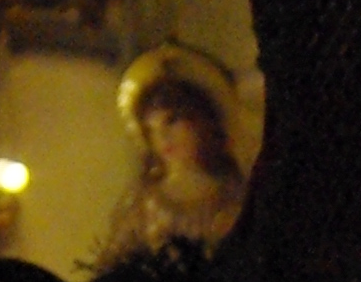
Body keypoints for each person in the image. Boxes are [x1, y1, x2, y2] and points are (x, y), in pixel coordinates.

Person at [104, 50, 252, 259]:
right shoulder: (144, 204)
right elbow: (115, 262)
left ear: (203, 121)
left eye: (171, 121)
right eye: (151, 130)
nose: (163, 137)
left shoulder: (235, 195)